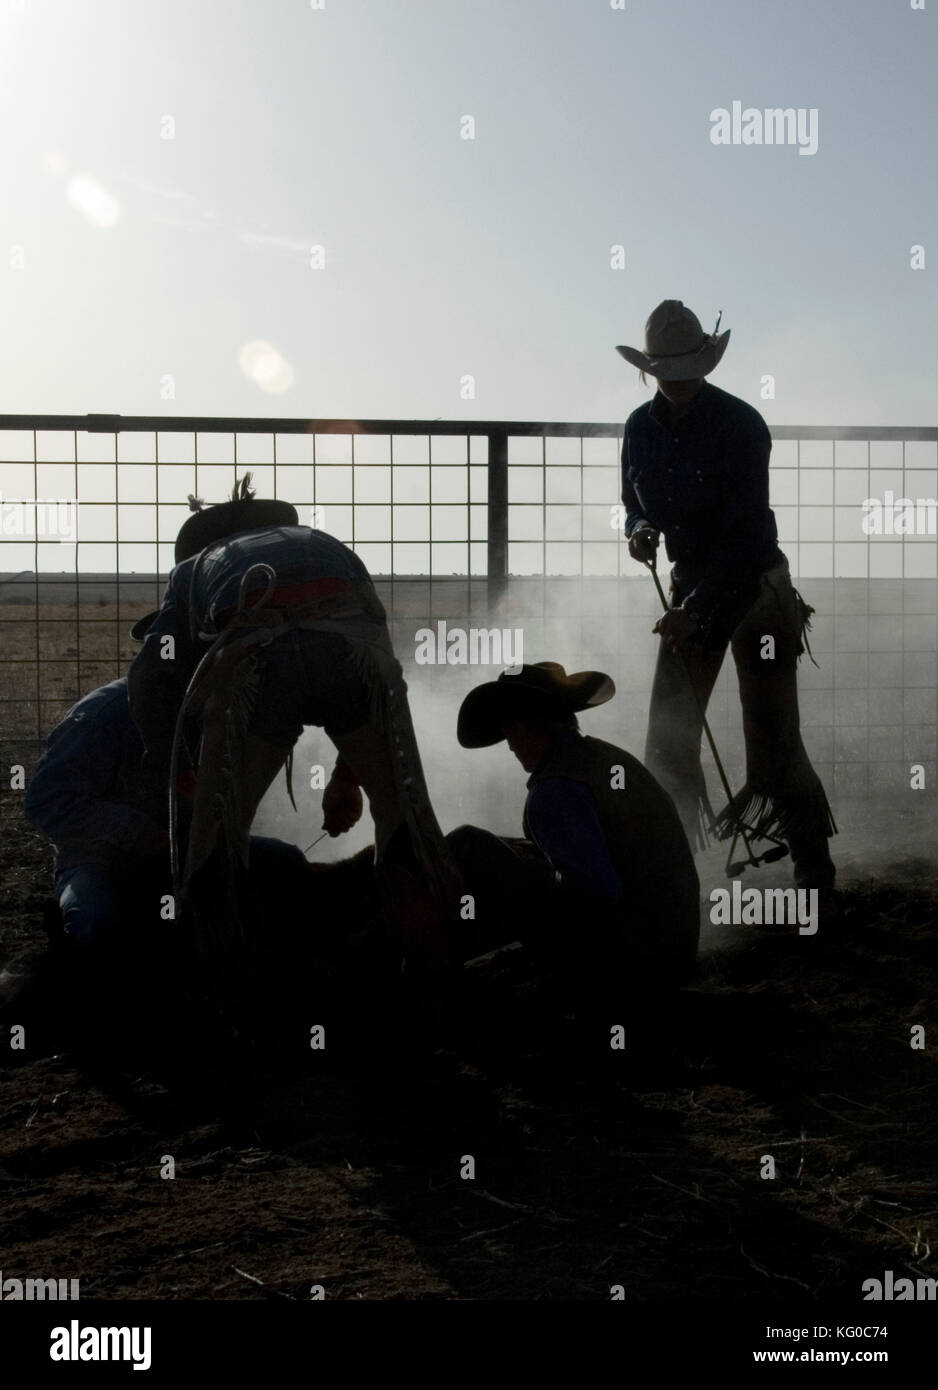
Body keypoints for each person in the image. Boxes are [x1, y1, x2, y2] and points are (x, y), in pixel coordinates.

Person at [126, 477, 461, 968]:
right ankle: (428, 976)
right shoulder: (330, 547)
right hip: (354, 660)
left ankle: (226, 982)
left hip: (259, 667)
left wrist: (173, 762)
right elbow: (377, 658)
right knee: (401, 821)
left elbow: (151, 678)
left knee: (216, 840)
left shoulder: (192, 569)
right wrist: (348, 777)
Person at [617, 300, 836, 890]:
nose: (680, 379)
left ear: (705, 364)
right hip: (696, 586)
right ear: (652, 369)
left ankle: (815, 871)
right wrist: (639, 528)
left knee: (773, 738)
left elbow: (744, 536)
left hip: (755, 588)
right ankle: (674, 875)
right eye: (671, 369)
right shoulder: (638, 429)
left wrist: (695, 609)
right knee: (669, 736)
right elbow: (632, 500)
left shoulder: (741, 425)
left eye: (689, 367)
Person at [448, 662, 700, 994]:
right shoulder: (607, 758)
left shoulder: (554, 789)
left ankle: (441, 970)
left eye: (508, 730)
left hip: (633, 962)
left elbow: (596, 894)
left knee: (470, 846)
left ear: (524, 727)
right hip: (672, 951)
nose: (508, 744)